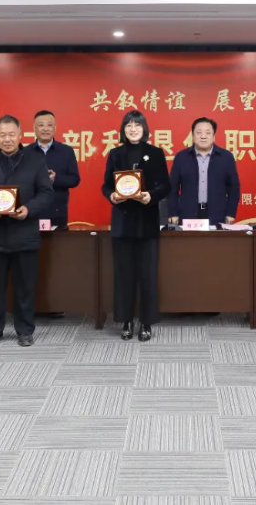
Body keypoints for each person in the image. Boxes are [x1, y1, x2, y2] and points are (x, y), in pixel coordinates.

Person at [0, 115, 55, 348]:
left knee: (25, 287)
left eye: (11, 134)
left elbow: (46, 193)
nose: (7, 139)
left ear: (20, 135)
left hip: (25, 234)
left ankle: (25, 331)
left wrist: (29, 209)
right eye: (2, 135)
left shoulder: (35, 161)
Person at [102, 110, 170, 341]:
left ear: (144, 129)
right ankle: (127, 321)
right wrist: (112, 196)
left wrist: (151, 195)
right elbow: (106, 185)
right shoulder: (115, 154)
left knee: (148, 275)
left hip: (147, 222)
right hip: (122, 223)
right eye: (129, 125)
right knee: (124, 275)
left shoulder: (156, 153)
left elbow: (166, 186)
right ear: (123, 129)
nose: (133, 129)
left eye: (137, 125)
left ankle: (147, 322)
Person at [168, 117, 241, 226]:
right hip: (188, 214)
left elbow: (234, 188)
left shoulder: (226, 157)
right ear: (193, 135)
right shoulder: (181, 157)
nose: (203, 136)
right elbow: (172, 188)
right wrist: (173, 213)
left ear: (214, 136)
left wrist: (231, 213)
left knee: (216, 238)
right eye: (199, 132)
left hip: (217, 214)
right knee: (188, 238)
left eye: (208, 133)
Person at [30, 110, 81, 230]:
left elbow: (74, 179)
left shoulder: (66, 151)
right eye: (41, 125)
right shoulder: (25, 152)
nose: (45, 129)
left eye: (49, 125)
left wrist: (55, 179)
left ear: (55, 128)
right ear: (34, 128)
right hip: (32, 212)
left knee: (58, 242)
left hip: (57, 212)